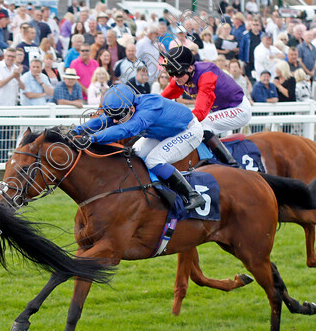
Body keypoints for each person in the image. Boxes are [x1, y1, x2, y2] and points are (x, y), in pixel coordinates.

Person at [71, 85, 206, 210]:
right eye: (114, 116)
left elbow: (125, 130)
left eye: (119, 116)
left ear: (131, 109)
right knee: (135, 157)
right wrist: (77, 131)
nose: (115, 121)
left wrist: (92, 138)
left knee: (153, 161)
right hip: (164, 132)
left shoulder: (148, 110)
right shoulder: (126, 106)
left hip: (188, 131)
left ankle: (192, 195)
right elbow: (105, 120)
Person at [161, 46, 247, 166]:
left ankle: (230, 163)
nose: (175, 78)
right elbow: (162, 98)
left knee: (202, 125)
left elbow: (200, 113)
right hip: (219, 109)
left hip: (237, 109)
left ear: (190, 68)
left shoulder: (207, 75)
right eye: (172, 74)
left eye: (178, 73)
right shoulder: (182, 75)